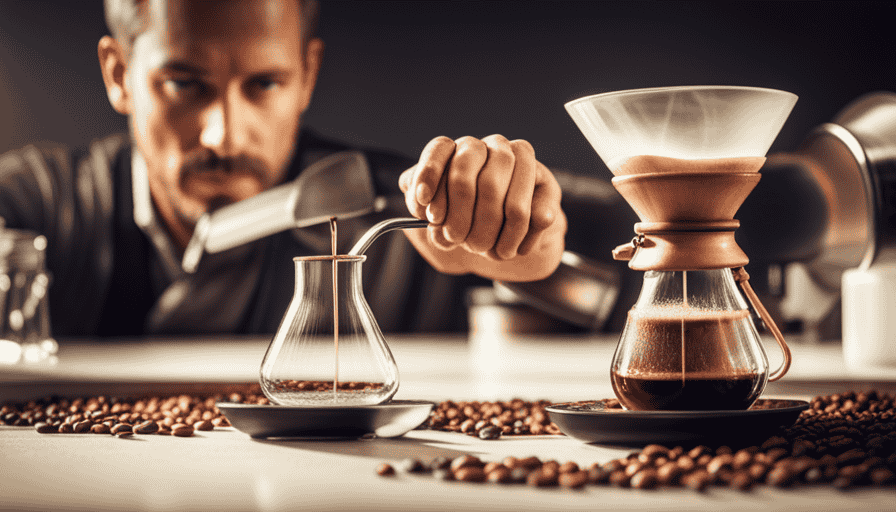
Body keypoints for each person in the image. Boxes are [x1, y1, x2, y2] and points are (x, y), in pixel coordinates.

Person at [0, 0, 566, 337]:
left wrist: (525, 241)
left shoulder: (401, 204)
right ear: (118, 73)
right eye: (183, 84)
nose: (223, 136)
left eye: (264, 83)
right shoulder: (46, 203)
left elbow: (585, 256)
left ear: (307, 75)